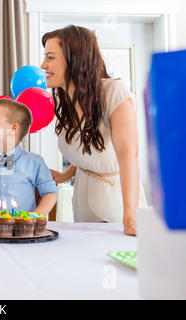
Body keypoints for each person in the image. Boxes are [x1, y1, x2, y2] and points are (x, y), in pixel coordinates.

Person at [40, 25, 147, 236]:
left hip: (116, 203)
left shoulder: (114, 91)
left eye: (50, 57)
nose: (43, 65)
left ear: (75, 59)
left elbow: (128, 155)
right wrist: (66, 174)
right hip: (83, 198)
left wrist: (131, 215)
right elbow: (87, 145)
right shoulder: (67, 100)